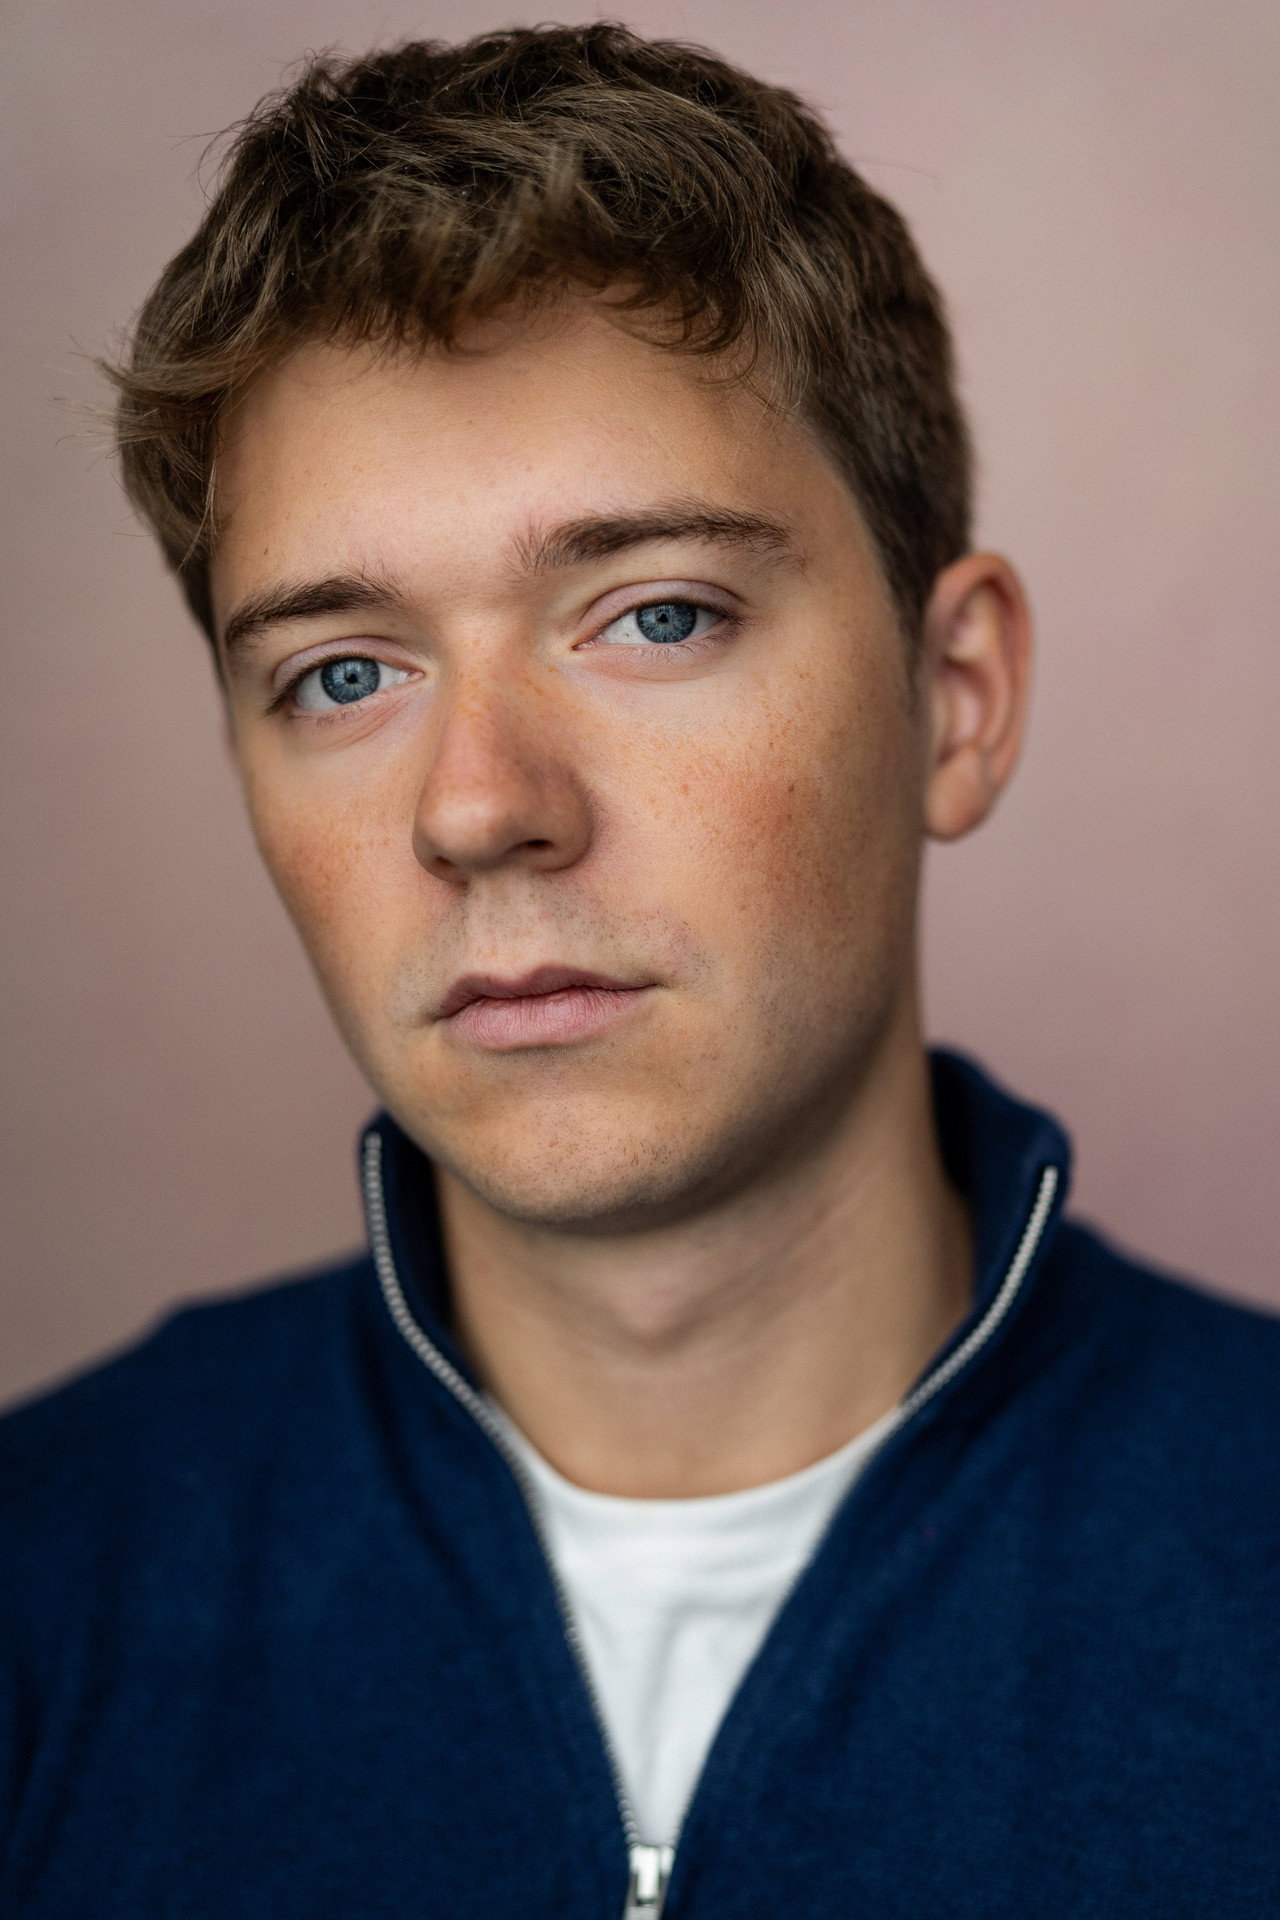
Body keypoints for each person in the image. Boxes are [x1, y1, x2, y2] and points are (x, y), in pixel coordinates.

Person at [2, 23, 1277, 1918]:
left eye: (655, 614)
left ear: (955, 697)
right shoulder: (44, 1586)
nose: (478, 806)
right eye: (343, 672)